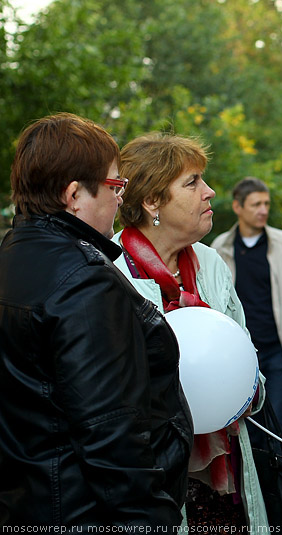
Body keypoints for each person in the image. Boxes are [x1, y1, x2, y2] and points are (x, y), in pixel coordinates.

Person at [0, 113, 192, 526]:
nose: (121, 197)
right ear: (74, 195)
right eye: (115, 185)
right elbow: (111, 436)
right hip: (83, 510)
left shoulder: (13, 255)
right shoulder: (84, 282)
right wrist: (152, 520)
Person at [113, 133, 268, 529]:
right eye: (192, 182)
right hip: (151, 480)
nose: (209, 192)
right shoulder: (110, 272)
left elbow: (245, 355)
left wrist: (250, 388)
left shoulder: (211, 263)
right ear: (151, 202)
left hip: (225, 474)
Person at [212, 178, 282, 444]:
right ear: (238, 207)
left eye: (266, 204)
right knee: (246, 424)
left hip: (281, 350)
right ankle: (255, 483)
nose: (263, 210)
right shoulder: (221, 248)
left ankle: (278, 482)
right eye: (256, 204)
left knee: (279, 422)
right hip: (241, 351)